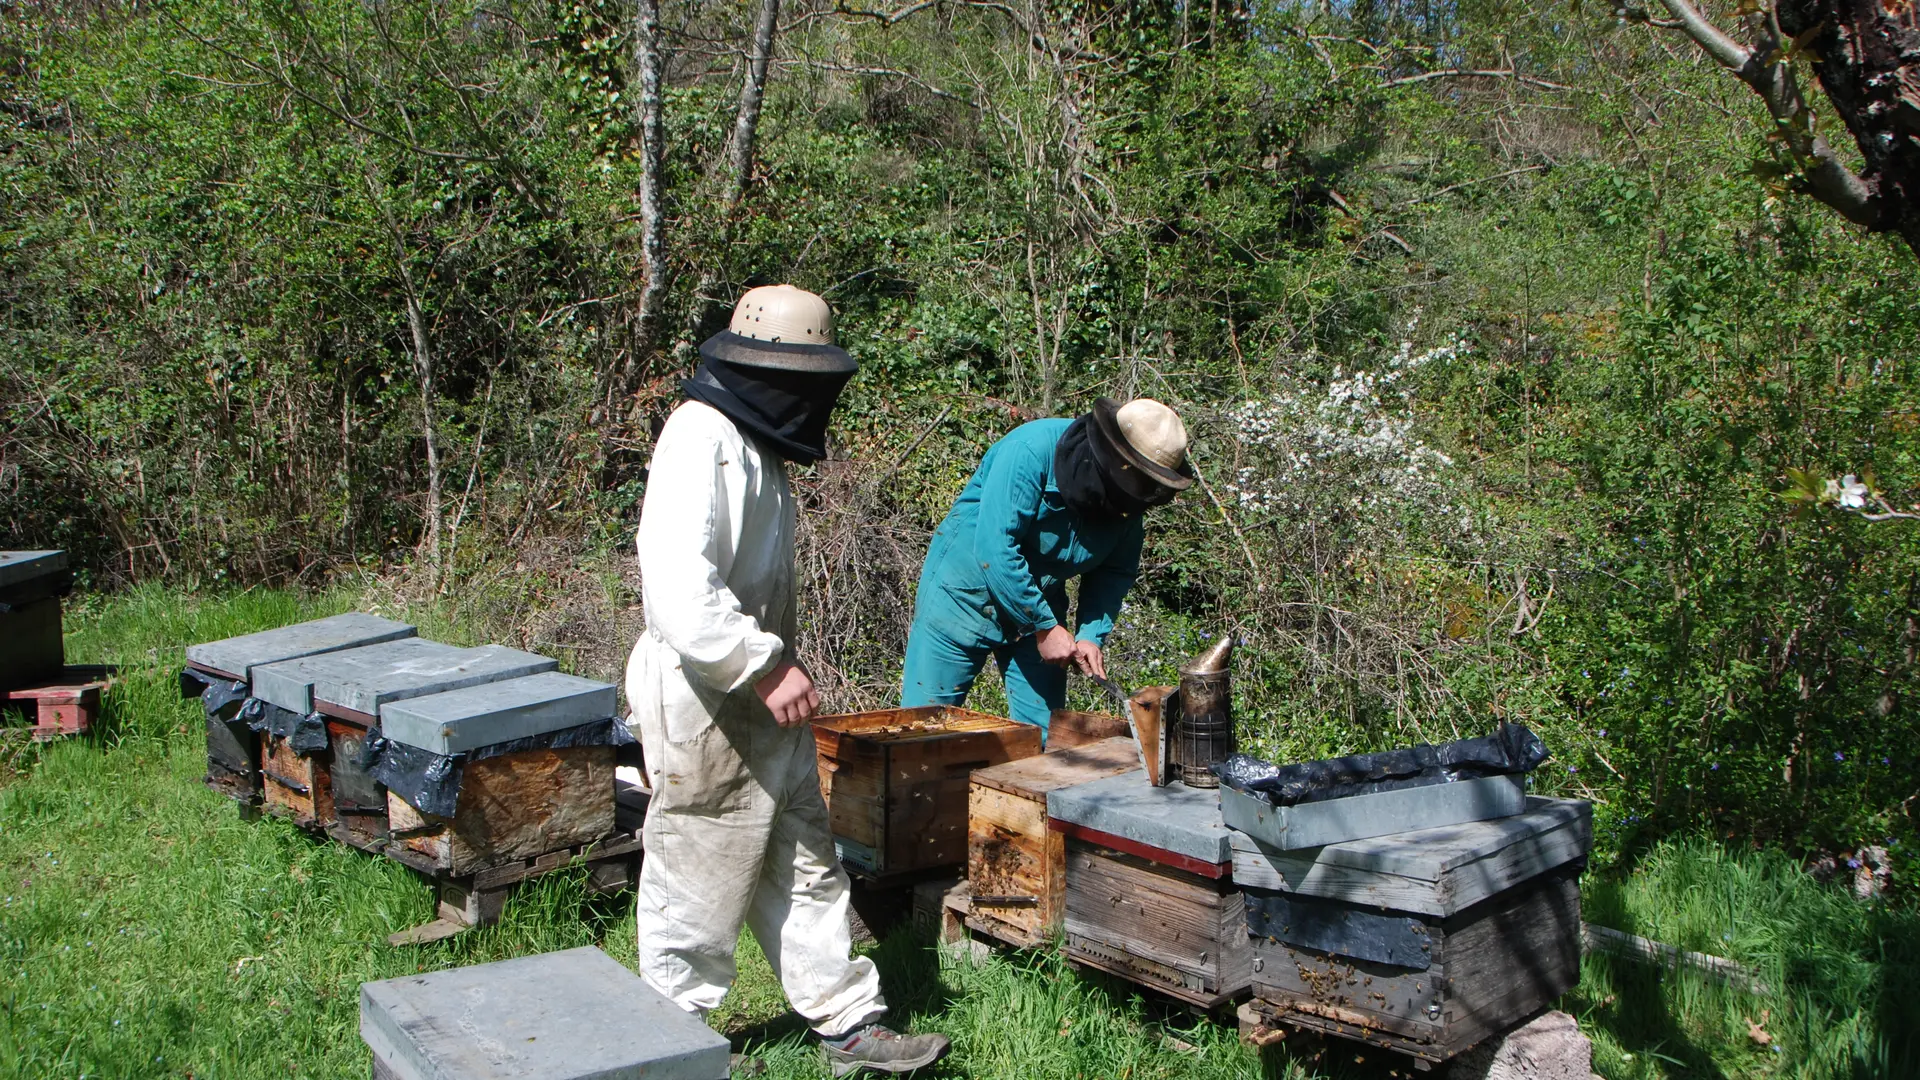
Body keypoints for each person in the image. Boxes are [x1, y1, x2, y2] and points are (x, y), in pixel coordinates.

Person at [626, 285, 950, 1077]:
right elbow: (675, 587)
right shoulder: (698, 436)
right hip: (706, 698)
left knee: (808, 860)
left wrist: (772, 671)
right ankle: (670, 1047)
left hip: (763, 701)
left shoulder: (755, 446)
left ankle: (849, 1024)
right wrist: (763, 664)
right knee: (698, 871)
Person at [899, 397, 1192, 738]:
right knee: (921, 731)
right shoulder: (1029, 451)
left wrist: (1089, 636)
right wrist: (1042, 626)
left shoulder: (1129, 504)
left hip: (1041, 605)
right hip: (963, 596)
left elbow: (1114, 572)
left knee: (1046, 735)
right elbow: (996, 547)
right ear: (1116, 458)